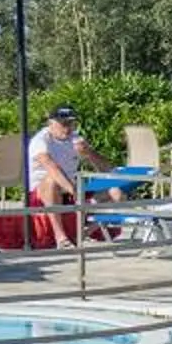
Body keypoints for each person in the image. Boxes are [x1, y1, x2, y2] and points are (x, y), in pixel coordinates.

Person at [29, 103, 113, 244]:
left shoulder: (75, 139)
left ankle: (84, 233)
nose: (68, 128)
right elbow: (51, 167)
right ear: (51, 123)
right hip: (41, 192)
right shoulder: (40, 140)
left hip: (70, 188)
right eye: (64, 123)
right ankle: (60, 237)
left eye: (71, 123)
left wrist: (89, 154)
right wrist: (73, 190)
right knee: (51, 181)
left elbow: (107, 169)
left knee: (116, 192)